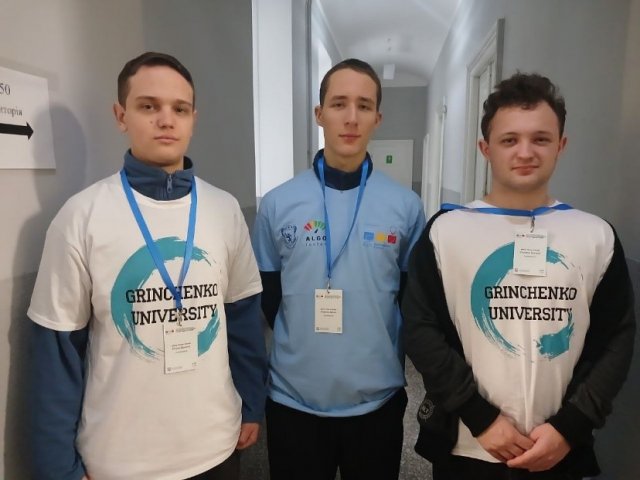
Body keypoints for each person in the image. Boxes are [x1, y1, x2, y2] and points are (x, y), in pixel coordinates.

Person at [28, 51, 267, 480]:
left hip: (216, 446)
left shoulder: (224, 209)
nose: (166, 120)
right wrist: (57, 467)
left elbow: (243, 316)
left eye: (180, 109)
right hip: (121, 459)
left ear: (194, 119)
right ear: (121, 116)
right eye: (148, 106)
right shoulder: (81, 217)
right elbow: (56, 353)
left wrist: (251, 402)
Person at [402, 72, 635, 479]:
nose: (525, 152)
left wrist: (571, 425)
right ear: (485, 148)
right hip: (469, 445)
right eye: (509, 140)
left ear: (561, 145)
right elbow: (420, 328)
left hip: (558, 449)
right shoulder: (446, 231)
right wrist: (480, 417)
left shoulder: (595, 235)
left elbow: (617, 338)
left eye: (540, 139)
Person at [251, 58, 426, 480]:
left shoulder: (405, 206)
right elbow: (270, 301)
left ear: (377, 118)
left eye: (364, 106)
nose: (351, 118)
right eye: (338, 104)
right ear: (319, 114)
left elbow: (410, 303)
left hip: (376, 403)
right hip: (294, 401)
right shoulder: (277, 204)